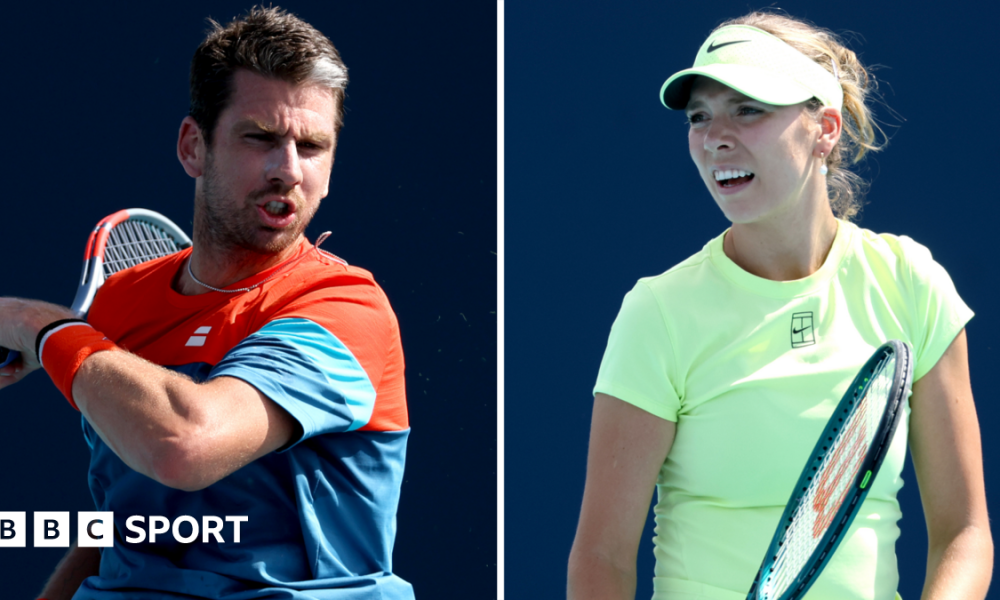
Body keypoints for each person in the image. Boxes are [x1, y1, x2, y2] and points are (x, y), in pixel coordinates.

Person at [567, 12, 992, 600]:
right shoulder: (657, 313)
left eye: (749, 109)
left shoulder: (910, 283)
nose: (716, 136)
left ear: (826, 128)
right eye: (699, 116)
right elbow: (602, 558)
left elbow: (964, 532)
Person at [0, 7, 413, 600]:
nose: (288, 170)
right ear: (194, 147)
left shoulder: (344, 308)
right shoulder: (119, 304)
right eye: (261, 138)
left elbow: (181, 445)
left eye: (313, 146)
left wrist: (33, 322)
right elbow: (134, 518)